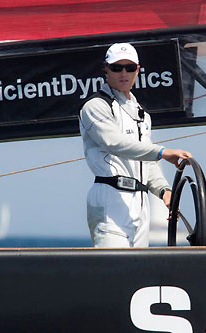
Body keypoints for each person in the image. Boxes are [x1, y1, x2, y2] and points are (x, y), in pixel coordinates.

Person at [79, 42, 192, 248]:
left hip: (141, 203)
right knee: (114, 273)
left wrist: (163, 190)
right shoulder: (95, 106)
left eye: (130, 68)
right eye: (116, 67)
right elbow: (114, 143)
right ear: (106, 69)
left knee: (137, 275)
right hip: (110, 197)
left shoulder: (141, 112)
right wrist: (163, 152)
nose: (124, 73)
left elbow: (145, 160)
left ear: (138, 70)